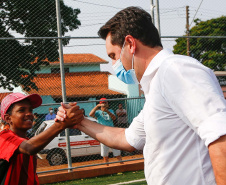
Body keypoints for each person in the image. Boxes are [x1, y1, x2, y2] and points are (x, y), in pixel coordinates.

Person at [56, 7, 226, 185]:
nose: (114, 64)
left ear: (130, 44)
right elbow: (127, 138)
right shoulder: (157, 85)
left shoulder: (175, 70)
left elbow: (220, 136)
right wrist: (78, 121)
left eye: (113, 56)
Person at [0, 92, 83, 185]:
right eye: (21, 110)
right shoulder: (4, 138)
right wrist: (61, 124)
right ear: (8, 118)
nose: (29, 114)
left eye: (30, 110)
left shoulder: (28, 141)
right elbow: (29, 148)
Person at [89, 98, 123, 165]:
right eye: (103, 103)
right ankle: (106, 166)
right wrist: (97, 106)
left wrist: (107, 111)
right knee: (105, 154)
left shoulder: (110, 110)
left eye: (105, 103)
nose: (104, 104)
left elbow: (114, 118)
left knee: (117, 152)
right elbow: (90, 114)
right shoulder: (98, 112)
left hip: (111, 133)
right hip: (103, 134)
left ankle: (121, 165)